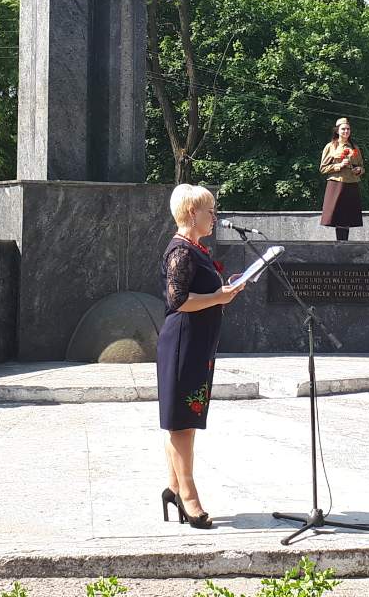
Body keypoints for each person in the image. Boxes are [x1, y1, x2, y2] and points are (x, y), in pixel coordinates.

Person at [157, 184, 244, 530]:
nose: (215, 217)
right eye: (211, 211)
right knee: (181, 422)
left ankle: (173, 487)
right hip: (183, 342)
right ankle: (188, 497)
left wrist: (225, 291)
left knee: (186, 418)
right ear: (192, 213)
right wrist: (220, 297)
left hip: (196, 343)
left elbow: (203, 293)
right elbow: (178, 300)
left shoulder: (195, 249)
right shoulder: (181, 251)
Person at [319, 117, 365, 241]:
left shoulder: (355, 147)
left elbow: (362, 166)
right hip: (336, 184)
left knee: (347, 217)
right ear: (337, 131)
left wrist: (358, 170)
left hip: (352, 184)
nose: (346, 131)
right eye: (343, 129)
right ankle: (340, 244)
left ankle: (345, 243)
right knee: (337, 217)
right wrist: (339, 165)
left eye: (348, 129)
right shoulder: (330, 147)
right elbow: (323, 168)